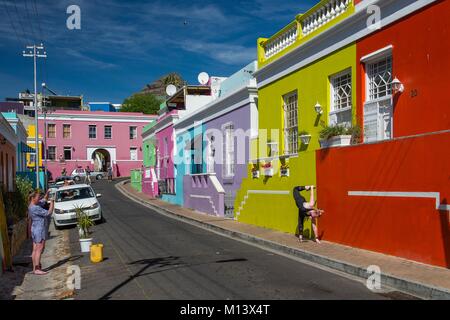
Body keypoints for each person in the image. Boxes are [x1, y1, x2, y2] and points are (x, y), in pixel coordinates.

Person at [28, 190, 54, 275]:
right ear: (33, 198)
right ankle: (37, 269)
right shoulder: (35, 208)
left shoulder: (32, 205)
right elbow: (48, 213)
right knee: (39, 248)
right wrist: (52, 202)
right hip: (39, 229)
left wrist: (47, 193)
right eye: (38, 197)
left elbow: (44, 200)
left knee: (35, 249)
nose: (39, 199)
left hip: (35, 228)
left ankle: (34, 267)